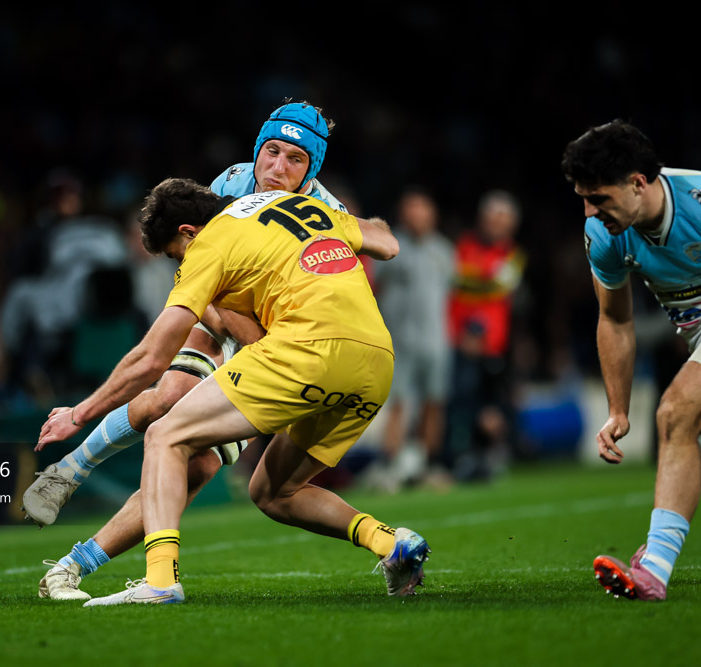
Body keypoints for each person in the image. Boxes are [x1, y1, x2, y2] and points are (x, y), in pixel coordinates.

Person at [38, 178, 430, 606]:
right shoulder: (300, 206)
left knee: (166, 435)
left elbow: (152, 356)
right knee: (274, 492)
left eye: (176, 256)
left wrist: (79, 414)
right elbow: (387, 243)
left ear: (189, 231)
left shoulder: (211, 242)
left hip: (305, 348)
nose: (180, 265)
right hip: (375, 360)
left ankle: (160, 581)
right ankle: (392, 544)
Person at [27, 102, 351, 600]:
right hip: (223, 314)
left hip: (278, 344)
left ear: (313, 170)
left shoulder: (331, 218)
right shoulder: (232, 184)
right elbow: (199, 282)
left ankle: (74, 565)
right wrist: (222, 315)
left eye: (294, 160)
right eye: (271, 152)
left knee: (195, 466)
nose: (276, 169)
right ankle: (74, 466)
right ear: (257, 150)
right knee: (165, 398)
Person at [562, 119, 701, 602]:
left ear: (638, 183)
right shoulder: (604, 236)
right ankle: (656, 565)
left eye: (598, 198)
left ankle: (655, 569)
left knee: (676, 411)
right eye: (583, 198)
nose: (589, 211)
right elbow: (615, 320)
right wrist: (618, 410)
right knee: (680, 421)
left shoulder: (699, 202)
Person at [370, 187, 455, 489]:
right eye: (412, 209)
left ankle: (428, 465)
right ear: (403, 215)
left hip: (436, 341)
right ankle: (387, 466)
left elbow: (449, 294)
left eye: (423, 209)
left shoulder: (444, 250)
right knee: (399, 403)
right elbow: (374, 289)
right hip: (399, 341)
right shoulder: (388, 247)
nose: (417, 216)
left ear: (432, 215)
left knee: (434, 403)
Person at [444, 189, 526, 480]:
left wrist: (470, 280)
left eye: (502, 218)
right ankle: (458, 458)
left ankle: (490, 456)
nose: (496, 223)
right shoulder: (463, 246)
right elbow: (455, 282)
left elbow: (496, 289)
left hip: (493, 343)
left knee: (492, 405)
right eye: (492, 217)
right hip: (457, 340)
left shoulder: (515, 256)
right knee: (459, 402)